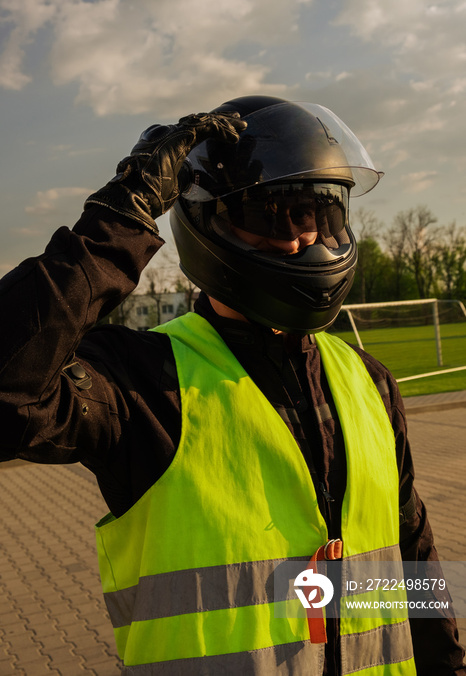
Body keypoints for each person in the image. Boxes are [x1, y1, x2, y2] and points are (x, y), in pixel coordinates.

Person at [0, 95, 464, 676]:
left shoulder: (368, 381)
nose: (307, 240)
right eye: (278, 217)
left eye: (322, 215)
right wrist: (121, 215)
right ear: (210, 223)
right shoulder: (142, 383)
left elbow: (414, 557)